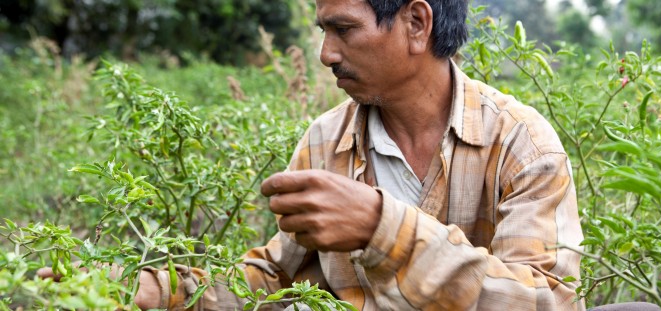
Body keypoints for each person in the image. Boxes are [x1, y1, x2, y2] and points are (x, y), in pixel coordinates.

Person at [44, 0, 586, 309]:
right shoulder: (326, 140)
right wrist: (142, 289)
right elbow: (275, 277)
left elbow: (546, 303)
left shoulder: (521, 144)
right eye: (324, 30)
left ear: (417, 25)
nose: (326, 53)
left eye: (344, 29)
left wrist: (384, 228)